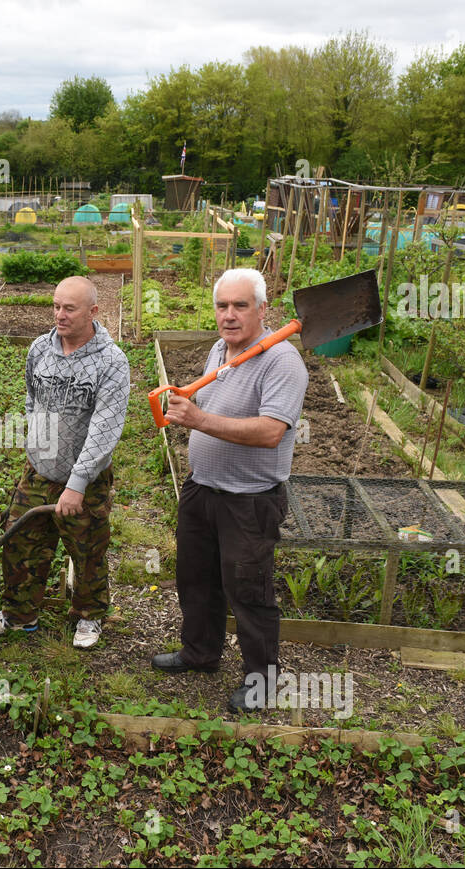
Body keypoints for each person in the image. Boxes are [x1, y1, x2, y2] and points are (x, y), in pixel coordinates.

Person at [150, 267, 308, 713]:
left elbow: (270, 432)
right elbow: (219, 407)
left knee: (249, 591)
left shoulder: (281, 361)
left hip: (250, 499)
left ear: (262, 309)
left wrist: (198, 420)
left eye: (240, 306)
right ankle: (200, 653)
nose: (230, 315)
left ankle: (262, 683)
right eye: (222, 306)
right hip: (203, 489)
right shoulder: (222, 349)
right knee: (196, 578)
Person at [0, 275, 130, 648]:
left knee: (87, 550)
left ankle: (89, 616)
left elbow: (105, 428)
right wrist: (36, 445)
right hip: (38, 469)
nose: (59, 315)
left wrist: (77, 483)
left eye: (70, 308)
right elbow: (32, 399)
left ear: (93, 311)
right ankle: (19, 614)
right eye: (56, 306)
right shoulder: (39, 349)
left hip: (86, 478)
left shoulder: (111, 362)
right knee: (20, 543)